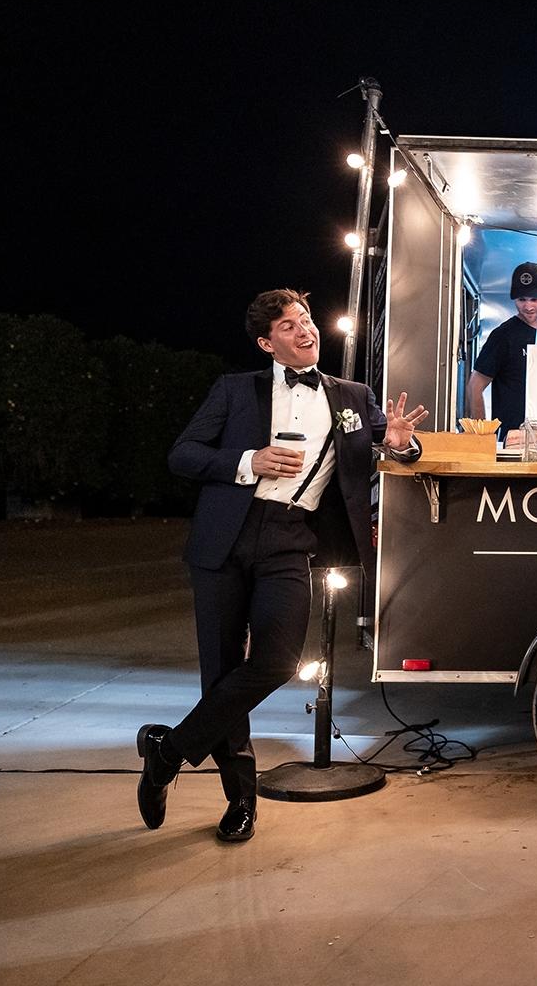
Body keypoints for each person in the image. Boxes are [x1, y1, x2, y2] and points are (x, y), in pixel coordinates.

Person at [136, 288, 425, 843]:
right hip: (225, 540)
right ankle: (241, 800)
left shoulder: (353, 396)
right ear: (268, 344)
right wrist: (250, 460)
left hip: (291, 539)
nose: (305, 330)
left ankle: (167, 750)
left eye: (306, 319)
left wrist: (398, 444)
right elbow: (183, 454)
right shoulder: (234, 389)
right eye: (289, 326)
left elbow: (392, 450)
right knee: (222, 672)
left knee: (278, 661)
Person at [468, 261, 537, 438]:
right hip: (511, 439)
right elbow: (475, 386)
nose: (528, 307)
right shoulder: (503, 335)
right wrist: (483, 438)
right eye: (521, 300)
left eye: (534, 299)